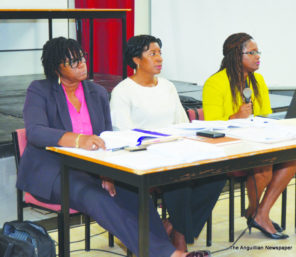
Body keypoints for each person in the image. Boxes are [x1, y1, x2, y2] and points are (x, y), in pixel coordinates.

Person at [16, 36, 206, 257]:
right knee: (94, 196)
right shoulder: (40, 90)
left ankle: (161, 249)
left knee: (135, 191)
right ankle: (169, 254)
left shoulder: (96, 93)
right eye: (73, 61)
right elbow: (36, 132)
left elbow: (107, 137)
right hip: (54, 171)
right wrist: (79, 139)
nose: (82, 64)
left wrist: (109, 174)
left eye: (82, 58)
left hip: (93, 168)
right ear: (56, 67)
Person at [110, 34, 226, 253]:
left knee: (217, 176)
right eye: (152, 54)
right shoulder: (123, 91)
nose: (159, 59)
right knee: (178, 180)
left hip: (175, 151)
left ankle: (174, 227)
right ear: (136, 59)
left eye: (160, 53)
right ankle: (180, 239)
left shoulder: (167, 86)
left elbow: (182, 124)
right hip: (143, 158)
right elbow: (124, 134)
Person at [203, 32, 296, 239]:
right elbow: (210, 126)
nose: (258, 57)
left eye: (258, 52)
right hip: (227, 146)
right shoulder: (215, 83)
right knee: (263, 167)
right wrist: (234, 117)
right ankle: (258, 213)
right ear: (236, 56)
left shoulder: (258, 80)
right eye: (252, 52)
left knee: (292, 157)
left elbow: (264, 115)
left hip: (254, 142)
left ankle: (259, 213)